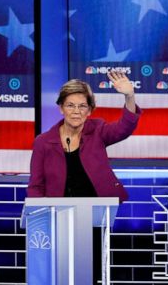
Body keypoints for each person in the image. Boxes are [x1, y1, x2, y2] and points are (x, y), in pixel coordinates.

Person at [28, 70, 140, 201]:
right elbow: (35, 186)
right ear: (61, 108)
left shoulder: (98, 131)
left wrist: (130, 96)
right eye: (70, 106)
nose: (76, 111)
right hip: (57, 212)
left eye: (82, 106)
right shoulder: (43, 142)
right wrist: (41, 214)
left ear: (90, 110)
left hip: (98, 208)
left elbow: (124, 128)